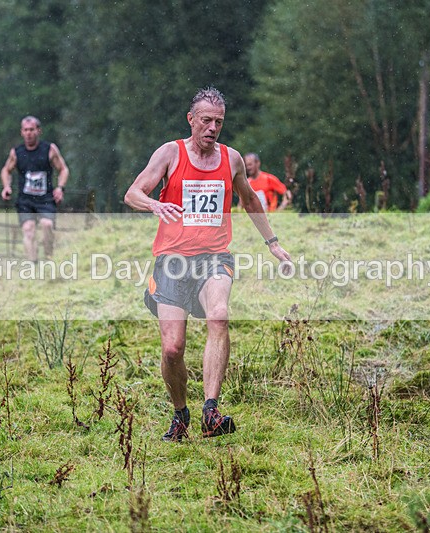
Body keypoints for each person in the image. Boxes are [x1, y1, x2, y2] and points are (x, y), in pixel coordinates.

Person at [124, 87, 291, 442]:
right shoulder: (171, 152)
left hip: (214, 258)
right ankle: (180, 413)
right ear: (191, 120)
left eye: (219, 122)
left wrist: (273, 244)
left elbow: (249, 201)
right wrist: (155, 205)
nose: (213, 128)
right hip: (171, 261)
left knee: (219, 314)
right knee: (172, 348)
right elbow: (133, 193)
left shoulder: (231, 160)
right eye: (206, 120)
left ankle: (210, 411)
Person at [0, 116, 69, 261]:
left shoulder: (49, 149)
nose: (28, 133)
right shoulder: (16, 153)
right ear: (21, 132)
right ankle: (33, 264)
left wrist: (60, 188)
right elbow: (6, 170)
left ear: (38, 131)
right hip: (25, 200)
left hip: (45, 199)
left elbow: (63, 169)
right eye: (25, 130)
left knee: (47, 225)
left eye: (31, 129)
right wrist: (6, 186)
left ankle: (49, 257)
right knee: (28, 230)